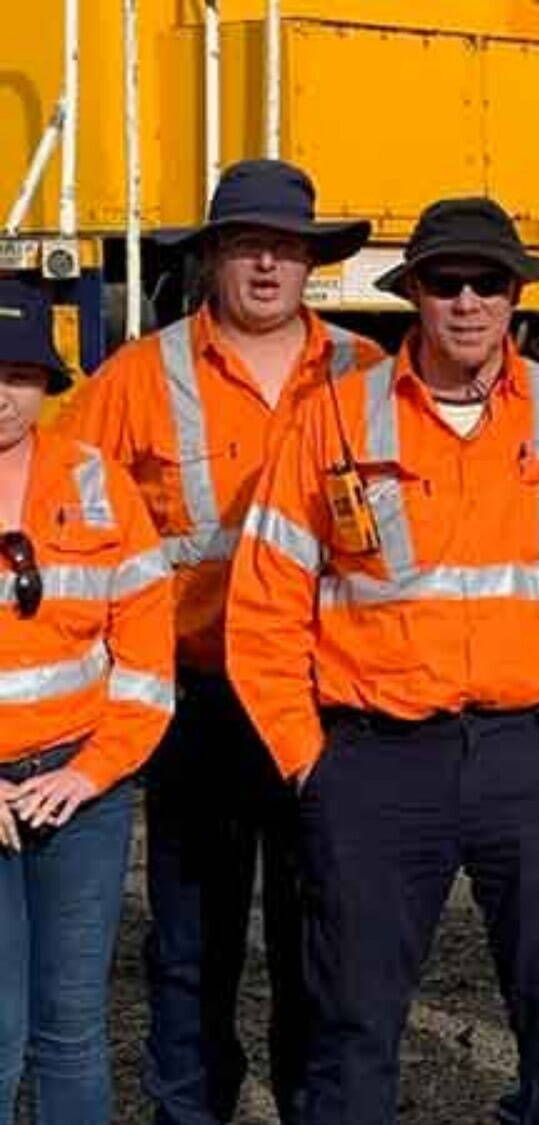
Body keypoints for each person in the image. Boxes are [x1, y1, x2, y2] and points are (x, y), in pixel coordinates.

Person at [225, 196, 539, 1125]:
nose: (468, 301)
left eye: (489, 282)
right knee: (349, 1031)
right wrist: (312, 765)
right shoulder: (336, 422)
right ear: (413, 296)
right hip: (376, 762)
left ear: (516, 296)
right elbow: (265, 607)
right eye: (446, 282)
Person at [61, 158, 382, 1125]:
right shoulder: (135, 379)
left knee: (315, 929)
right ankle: (189, 1105)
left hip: (324, 699)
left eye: (286, 248)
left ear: (312, 264)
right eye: (247, 246)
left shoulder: (366, 374)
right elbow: (72, 517)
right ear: (210, 260)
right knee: (191, 936)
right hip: (195, 699)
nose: (268, 267)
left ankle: (308, 1104)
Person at [0, 279, 175, 1124]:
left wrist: (94, 771)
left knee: (71, 1027)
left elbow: (145, 653)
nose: (3, 393)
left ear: (49, 383)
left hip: (80, 792)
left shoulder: (95, 480)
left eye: (23, 373)